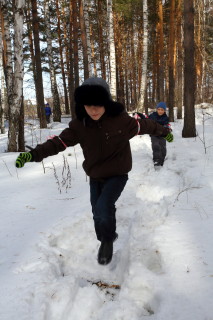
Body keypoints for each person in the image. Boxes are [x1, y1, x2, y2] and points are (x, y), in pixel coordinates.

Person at [15, 78, 173, 266]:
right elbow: (58, 143)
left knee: (103, 206)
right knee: (97, 212)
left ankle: (107, 242)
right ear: (83, 105)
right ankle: (107, 235)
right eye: (89, 105)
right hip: (95, 175)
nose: (94, 110)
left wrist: (164, 132)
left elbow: (147, 125)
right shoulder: (79, 126)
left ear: (106, 103)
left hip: (118, 173)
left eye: (98, 105)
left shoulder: (121, 121)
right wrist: (32, 155)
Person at [149, 102, 172, 168]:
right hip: (154, 134)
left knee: (162, 147)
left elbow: (167, 125)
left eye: (162, 110)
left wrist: (167, 128)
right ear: (156, 109)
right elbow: (147, 120)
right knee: (155, 145)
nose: (160, 111)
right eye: (159, 109)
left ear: (164, 111)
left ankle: (162, 159)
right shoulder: (152, 116)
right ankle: (156, 160)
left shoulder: (165, 118)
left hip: (162, 134)